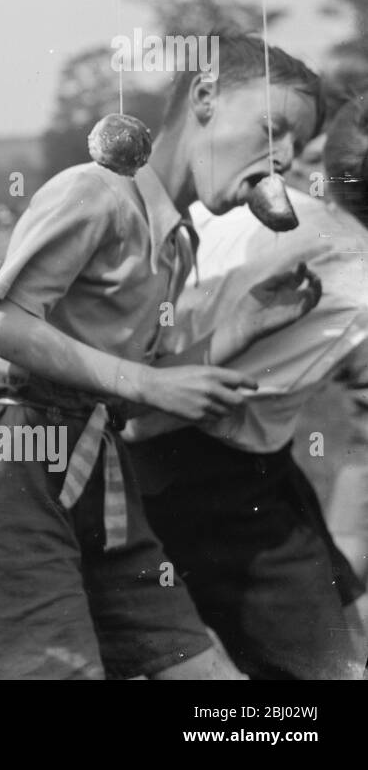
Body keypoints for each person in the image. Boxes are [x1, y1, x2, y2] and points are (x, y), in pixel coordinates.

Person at [0, 33, 324, 679]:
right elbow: (7, 326)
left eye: (298, 148)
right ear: (205, 95)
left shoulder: (177, 242)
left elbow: (134, 390)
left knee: (205, 675)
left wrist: (247, 322)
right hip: (11, 455)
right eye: (274, 129)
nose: (284, 160)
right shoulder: (98, 191)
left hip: (101, 471)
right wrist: (146, 383)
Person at [125, 94, 368, 679]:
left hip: (234, 461)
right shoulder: (355, 282)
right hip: (211, 477)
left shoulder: (242, 197)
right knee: (327, 673)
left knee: (349, 628)